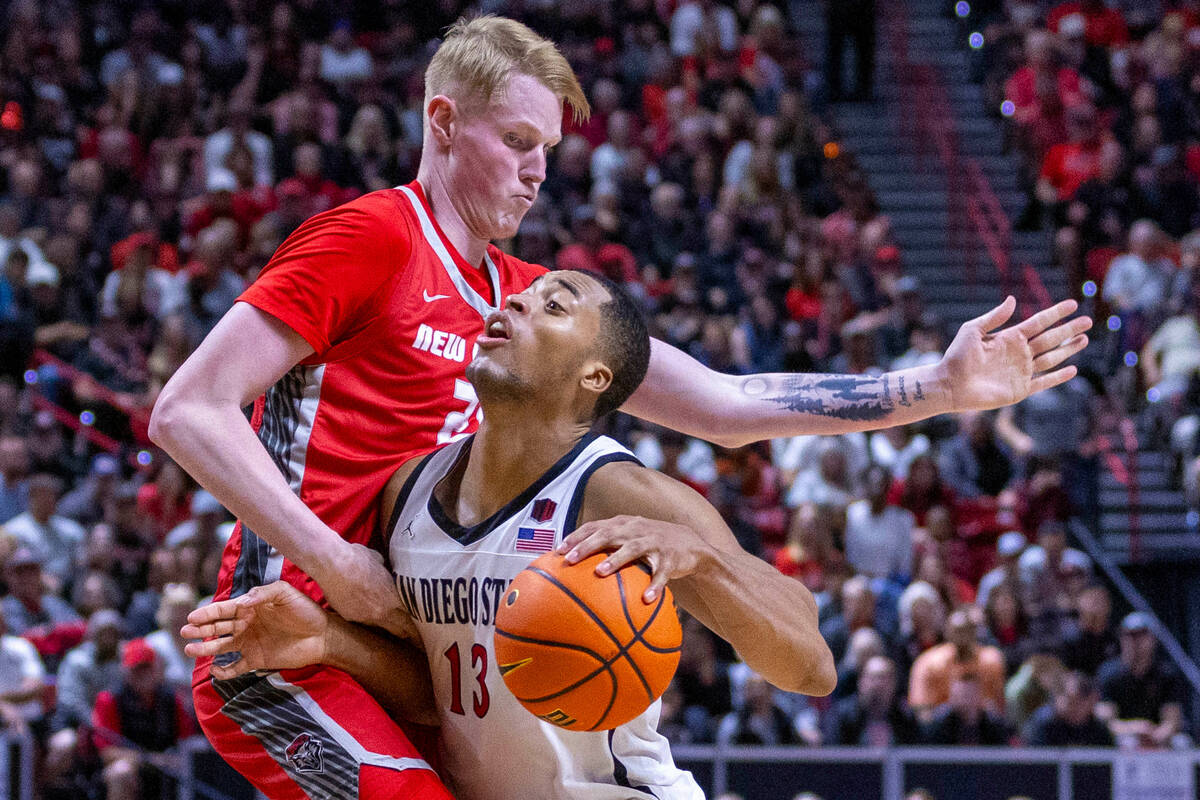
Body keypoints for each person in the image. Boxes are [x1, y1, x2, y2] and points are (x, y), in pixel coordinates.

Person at [151, 15, 1090, 798]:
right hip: (284, 633)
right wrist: (337, 563)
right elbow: (188, 409)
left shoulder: (521, 307)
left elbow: (727, 403)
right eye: (517, 142)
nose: (537, 172)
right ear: (442, 122)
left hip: (408, 643)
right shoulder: (371, 237)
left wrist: (936, 388)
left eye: (549, 151)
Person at [183, 269, 836, 798]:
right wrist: (330, 642)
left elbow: (809, 666)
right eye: (520, 294)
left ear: (594, 377)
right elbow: (444, 698)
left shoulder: (620, 494)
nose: (517, 302)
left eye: (553, 306)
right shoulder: (405, 494)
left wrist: (702, 562)